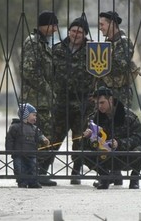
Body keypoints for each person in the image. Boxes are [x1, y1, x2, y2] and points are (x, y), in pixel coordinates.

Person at [52, 17, 95, 185]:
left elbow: (99, 72)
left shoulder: (91, 51)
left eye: (80, 32)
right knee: (55, 136)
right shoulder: (57, 50)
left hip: (83, 101)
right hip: (61, 101)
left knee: (79, 138)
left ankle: (76, 171)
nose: (75, 34)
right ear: (68, 31)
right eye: (73, 31)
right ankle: (42, 169)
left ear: (85, 34)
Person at [20, 10, 58, 186]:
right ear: (45, 25)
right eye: (54, 26)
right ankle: (31, 174)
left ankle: (38, 172)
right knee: (33, 138)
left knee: (44, 136)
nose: (55, 30)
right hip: (34, 100)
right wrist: (48, 89)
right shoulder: (33, 43)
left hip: (42, 101)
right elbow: (29, 71)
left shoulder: (43, 43)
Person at [82, 87, 141, 189]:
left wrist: (119, 143)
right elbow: (88, 144)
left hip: (124, 155)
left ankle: (134, 179)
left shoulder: (128, 116)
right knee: (83, 153)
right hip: (105, 156)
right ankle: (105, 177)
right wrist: (89, 137)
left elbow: (138, 137)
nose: (99, 106)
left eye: (102, 103)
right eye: (97, 103)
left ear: (110, 100)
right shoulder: (94, 118)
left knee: (140, 151)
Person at [98, 11, 140, 107]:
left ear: (112, 24)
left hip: (119, 95)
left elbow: (119, 67)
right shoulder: (108, 43)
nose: (100, 28)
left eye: (102, 24)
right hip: (105, 94)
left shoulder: (123, 42)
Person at [5, 103, 50, 188]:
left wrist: (44, 139)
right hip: (18, 154)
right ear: (25, 115)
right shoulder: (15, 127)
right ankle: (22, 182)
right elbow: (9, 139)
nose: (35, 117)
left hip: (31, 153)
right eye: (33, 115)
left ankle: (33, 182)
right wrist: (9, 150)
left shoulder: (34, 128)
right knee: (19, 169)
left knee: (33, 167)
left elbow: (40, 135)